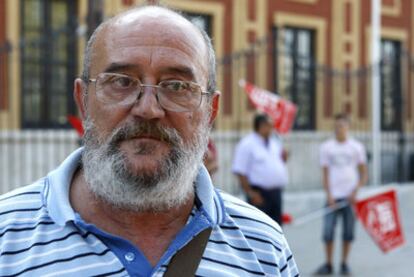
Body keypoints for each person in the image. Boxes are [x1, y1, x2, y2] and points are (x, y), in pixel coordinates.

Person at [0, 5, 299, 276]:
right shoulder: (6, 238)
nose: (148, 109)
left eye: (177, 86)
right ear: (84, 99)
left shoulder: (265, 247)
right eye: (121, 82)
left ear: (211, 111)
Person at [315, 113, 368, 276]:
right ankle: (328, 263)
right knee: (328, 231)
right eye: (337, 126)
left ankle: (344, 263)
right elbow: (325, 173)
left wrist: (355, 191)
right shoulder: (327, 147)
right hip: (333, 196)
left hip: (349, 198)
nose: (340, 129)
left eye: (343, 126)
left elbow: (363, 173)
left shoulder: (356, 147)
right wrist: (329, 194)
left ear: (348, 127)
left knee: (348, 232)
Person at [232, 113, 289, 226]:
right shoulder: (247, 144)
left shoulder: (274, 142)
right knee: (259, 227)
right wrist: (251, 193)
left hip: (275, 193)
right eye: (269, 125)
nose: (272, 129)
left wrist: (285, 156)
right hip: (259, 193)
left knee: (276, 227)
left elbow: (276, 162)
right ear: (261, 126)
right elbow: (240, 170)